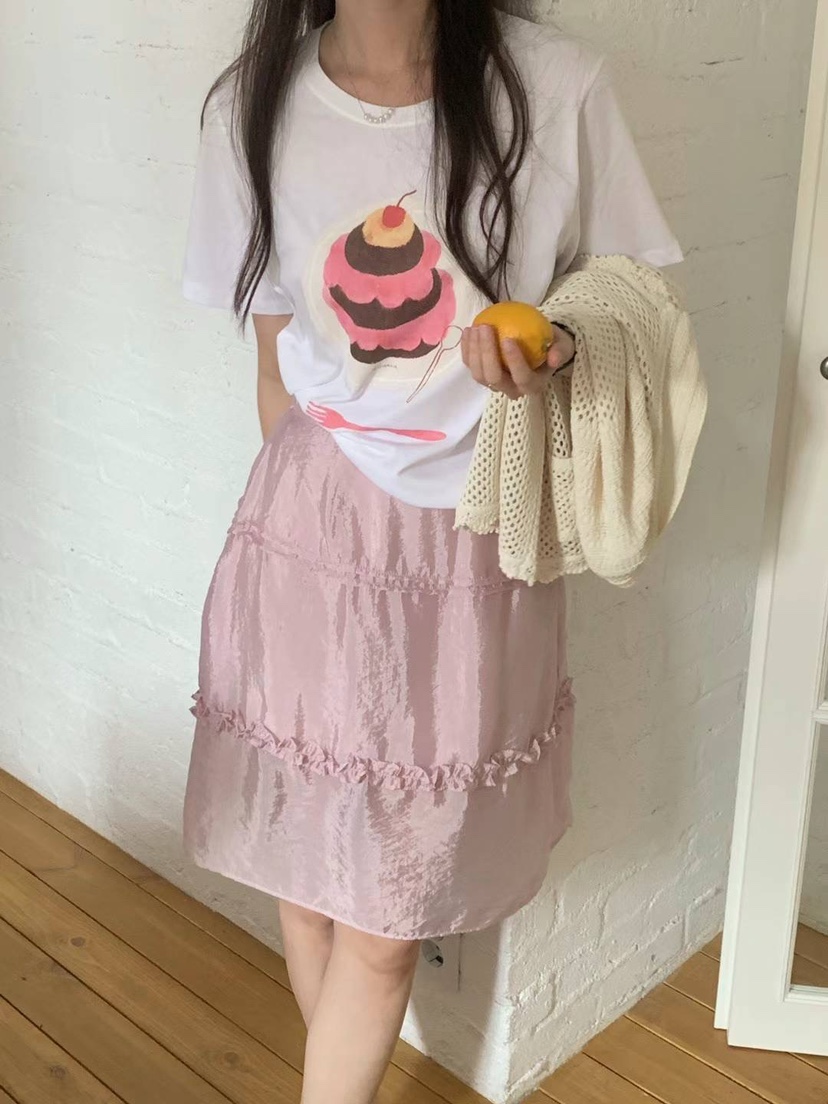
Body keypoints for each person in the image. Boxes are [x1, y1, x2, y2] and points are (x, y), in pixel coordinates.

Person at [179, 2, 684, 1101]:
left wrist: (560, 343)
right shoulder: (250, 107)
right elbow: (273, 359)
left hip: (472, 539)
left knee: (388, 920)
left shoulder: (558, 87)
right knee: (310, 880)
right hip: (310, 530)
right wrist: (319, 531)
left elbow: (634, 299)